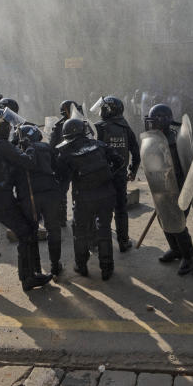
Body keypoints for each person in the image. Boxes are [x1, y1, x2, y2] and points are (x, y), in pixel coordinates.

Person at [0, 109, 53, 291]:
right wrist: (29, 145)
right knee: (26, 233)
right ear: (0, 127)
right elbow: (28, 162)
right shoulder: (2, 146)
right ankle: (28, 278)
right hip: (1, 199)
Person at [55, 118, 123, 279]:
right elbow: (119, 161)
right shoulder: (99, 145)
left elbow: (62, 180)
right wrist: (108, 176)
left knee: (80, 232)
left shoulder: (64, 153)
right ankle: (107, 268)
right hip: (107, 194)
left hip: (83, 198)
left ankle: (81, 266)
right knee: (104, 229)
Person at [145, 103, 193, 275]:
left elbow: (184, 165)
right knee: (164, 220)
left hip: (179, 188)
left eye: (155, 120)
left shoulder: (177, 140)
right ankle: (175, 250)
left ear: (162, 121)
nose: (151, 124)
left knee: (178, 223)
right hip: (161, 187)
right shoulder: (153, 139)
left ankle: (188, 257)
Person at [15, 124, 64, 277]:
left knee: (31, 231)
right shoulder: (46, 147)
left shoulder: (17, 150)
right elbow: (58, 168)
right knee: (53, 229)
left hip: (29, 196)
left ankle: (35, 267)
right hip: (50, 193)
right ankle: (55, 265)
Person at [94, 96, 140, 252]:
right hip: (120, 176)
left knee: (100, 210)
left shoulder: (97, 128)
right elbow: (136, 151)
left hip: (101, 176)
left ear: (108, 110)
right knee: (121, 209)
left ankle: (97, 242)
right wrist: (132, 170)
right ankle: (123, 241)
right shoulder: (125, 127)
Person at [50, 100, 82, 227]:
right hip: (71, 162)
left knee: (68, 190)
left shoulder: (61, 125)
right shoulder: (60, 126)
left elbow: (52, 147)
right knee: (66, 190)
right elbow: (53, 147)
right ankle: (70, 217)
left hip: (67, 162)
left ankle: (66, 218)